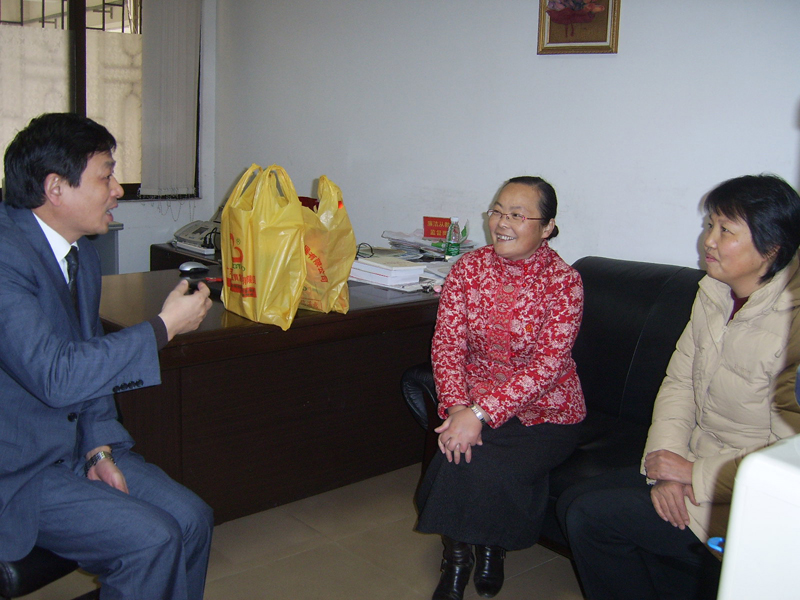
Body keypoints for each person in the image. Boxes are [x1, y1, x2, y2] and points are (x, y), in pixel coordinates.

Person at [0, 113, 215, 600]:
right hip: (19, 469)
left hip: (74, 448)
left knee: (192, 520)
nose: (117, 190)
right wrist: (162, 327)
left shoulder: (81, 254)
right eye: (106, 175)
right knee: (152, 541)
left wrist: (99, 447)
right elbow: (56, 375)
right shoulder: (6, 256)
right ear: (56, 188)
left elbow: (88, 357)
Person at [559, 174, 800, 600]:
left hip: (748, 498)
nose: (709, 240)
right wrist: (665, 468)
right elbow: (679, 384)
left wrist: (693, 475)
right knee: (574, 501)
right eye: (710, 225)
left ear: (772, 247)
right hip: (691, 459)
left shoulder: (791, 324)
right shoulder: (714, 292)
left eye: (726, 230)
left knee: (589, 516)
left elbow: (788, 458)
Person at [415, 176, 586, 600]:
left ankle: (492, 547)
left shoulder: (564, 282)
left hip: (548, 410)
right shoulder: (467, 269)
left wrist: (480, 414)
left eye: (517, 215)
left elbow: (548, 366)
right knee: (459, 448)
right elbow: (447, 344)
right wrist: (457, 406)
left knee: (477, 460)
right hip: (471, 399)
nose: (502, 223)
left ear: (547, 227)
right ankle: (458, 559)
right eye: (497, 211)